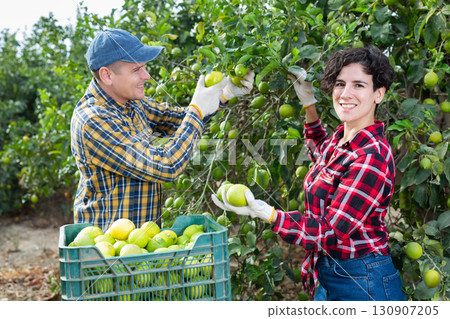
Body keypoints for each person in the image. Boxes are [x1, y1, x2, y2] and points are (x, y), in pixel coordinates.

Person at [212, 46, 406, 301]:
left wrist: (269, 214)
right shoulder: (343, 139)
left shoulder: (371, 157)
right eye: (340, 84)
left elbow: (330, 233)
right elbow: (320, 151)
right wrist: (309, 103)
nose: (345, 94)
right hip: (330, 272)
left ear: (378, 94)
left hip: (362, 281)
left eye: (358, 85)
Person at [71, 28, 254, 230]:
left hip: (144, 242)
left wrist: (224, 95)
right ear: (107, 75)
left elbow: (179, 120)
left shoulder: (130, 102)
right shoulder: (93, 120)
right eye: (136, 70)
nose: (147, 75)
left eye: (145, 67)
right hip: (108, 248)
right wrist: (196, 109)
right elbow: (165, 165)